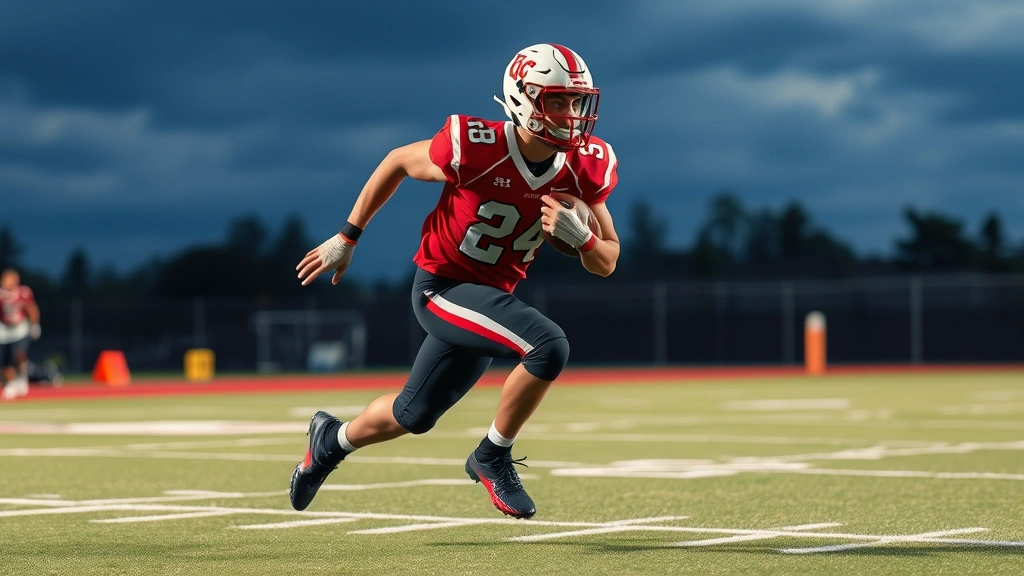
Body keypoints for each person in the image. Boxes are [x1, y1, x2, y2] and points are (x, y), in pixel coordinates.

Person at [289, 43, 620, 519]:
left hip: (489, 301)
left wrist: (585, 241)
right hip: (441, 289)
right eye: (557, 101)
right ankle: (491, 455)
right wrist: (349, 235)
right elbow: (398, 161)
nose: (571, 114)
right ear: (524, 99)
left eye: (575, 102)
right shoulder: (476, 144)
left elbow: (607, 260)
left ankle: (330, 441)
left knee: (413, 415)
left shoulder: (583, 166)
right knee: (548, 346)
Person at [0, 269, 41, 400]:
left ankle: (22, 378)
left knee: (19, 353)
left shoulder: (23, 292)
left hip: (19, 328)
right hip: (4, 329)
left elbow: (32, 308)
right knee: (4, 360)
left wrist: (34, 325)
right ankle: (10, 383)